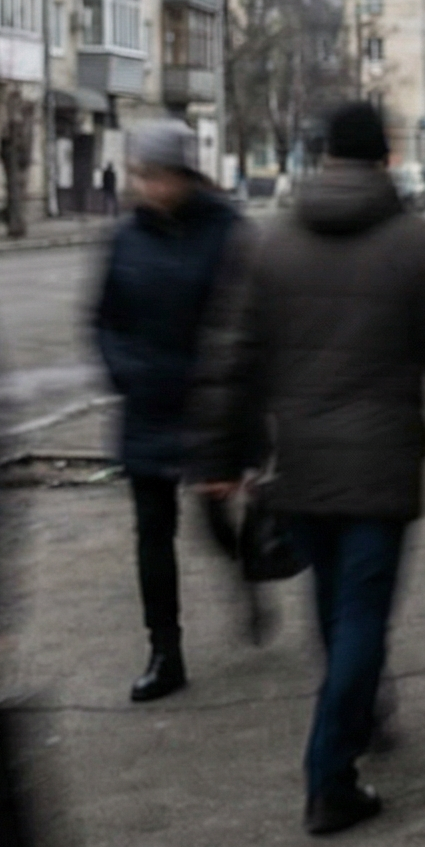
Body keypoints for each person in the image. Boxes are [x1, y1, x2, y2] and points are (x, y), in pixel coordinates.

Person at [196, 101, 425, 837]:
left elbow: (232, 358)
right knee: (362, 614)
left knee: (335, 610)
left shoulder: (272, 244)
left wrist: (220, 458)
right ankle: (329, 776)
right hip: (383, 464)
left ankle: (357, 718)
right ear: (385, 157)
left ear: (324, 153)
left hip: (299, 464)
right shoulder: (415, 241)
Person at [92, 121, 244, 701]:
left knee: (215, 524)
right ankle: (165, 652)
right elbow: (103, 319)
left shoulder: (228, 232)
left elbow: (249, 323)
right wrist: (124, 371)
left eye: (159, 176)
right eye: (142, 176)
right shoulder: (126, 238)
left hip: (210, 410)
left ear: (184, 174)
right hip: (147, 410)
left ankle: (245, 580)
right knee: (152, 536)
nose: (150, 187)